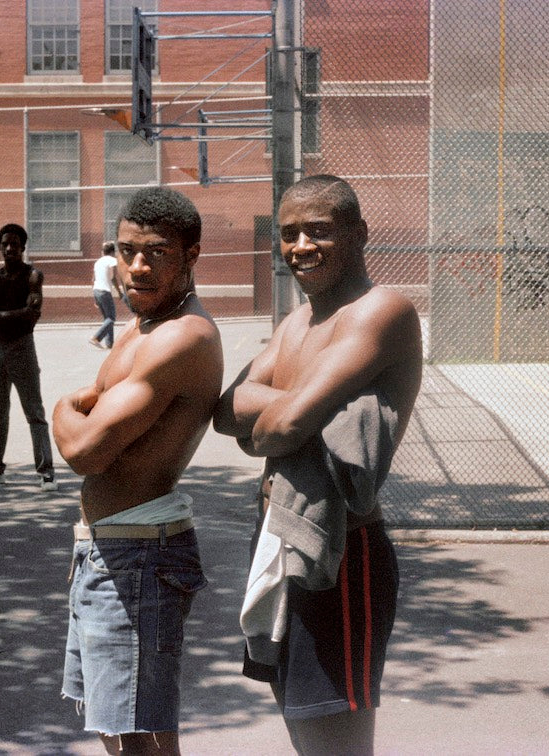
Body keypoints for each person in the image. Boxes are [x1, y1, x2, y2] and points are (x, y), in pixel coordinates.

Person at [212, 175, 422, 756]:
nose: (300, 245)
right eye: (289, 233)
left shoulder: (381, 311)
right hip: (278, 536)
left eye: (319, 231)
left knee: (336, 742)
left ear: (359, 234)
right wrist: (295, 411)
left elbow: (278, 429)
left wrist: (279, 421)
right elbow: (226, 410)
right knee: (304, 731)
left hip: (340, 553)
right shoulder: (296, 323)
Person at [52, 187, 223, 754]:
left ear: (191, 255)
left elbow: (86, 450)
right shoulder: (146, 324)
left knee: (135, 738)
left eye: (157, 252)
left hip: (138, 557)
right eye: (127, 251)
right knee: (120, 726)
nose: (138, 267)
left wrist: (58, 408)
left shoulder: (182, 335)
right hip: (113, 549)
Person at [0, 223, 58, 491]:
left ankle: (46, 472)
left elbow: (31, 317)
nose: (9, 248)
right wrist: (16, 314)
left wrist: (1, 316)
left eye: (14, 244)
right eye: (5, 244)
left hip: (22, 347)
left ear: (23, 247)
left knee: (34, 411)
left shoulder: (32, 276)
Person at [88, 240, 125, 350]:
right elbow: (115, 277)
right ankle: (96, 337)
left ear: (103, 252)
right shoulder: (112, 260)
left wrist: (95, 298)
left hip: (96, 291)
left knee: (107, 318)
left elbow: (93, 279)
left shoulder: (98, 262)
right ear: (113, 252)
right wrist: (120, 292)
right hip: (104, 291)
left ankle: (109, 343)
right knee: (111, 318)